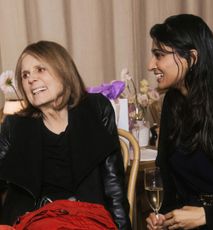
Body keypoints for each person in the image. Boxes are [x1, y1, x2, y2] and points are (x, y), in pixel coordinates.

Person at [0, 40, 131, 229]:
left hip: (86, 219)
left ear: (63, 71)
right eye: (25, 75)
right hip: (34, 221)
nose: (31, 79)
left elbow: (113, 184)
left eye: (40, 69)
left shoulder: (96, 109)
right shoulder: (15, 125)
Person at [146, 14, 213, 230]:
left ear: (191, 58)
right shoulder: (172, 102)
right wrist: (163, 217)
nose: (150, 65)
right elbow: (164, 171)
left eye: (159, 55)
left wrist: (209, 216)